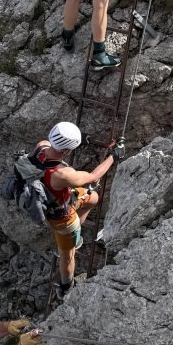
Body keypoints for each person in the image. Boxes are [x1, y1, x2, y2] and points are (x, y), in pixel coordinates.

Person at [28, 121, 122, 298]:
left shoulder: (41, 148)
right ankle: (66, 286)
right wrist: (113, 156)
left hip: (54, 200)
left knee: (92, 198)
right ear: (66, 151)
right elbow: (93, 177)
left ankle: (74, 233)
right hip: (62, 218)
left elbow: (52, 147)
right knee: (67, 256)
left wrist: (83, 140)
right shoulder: (61, 174)